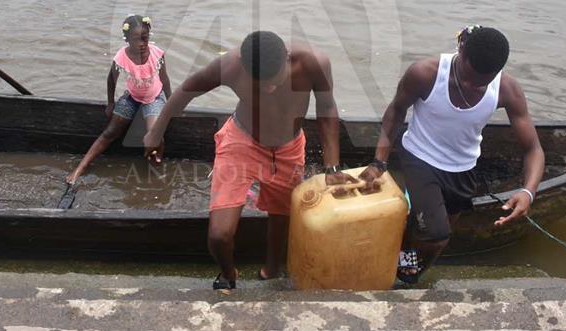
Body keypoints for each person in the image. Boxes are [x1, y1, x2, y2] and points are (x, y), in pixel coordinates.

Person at [143, 31, 354, 290]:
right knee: (219, 236)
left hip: (288, 149)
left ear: (287, 59)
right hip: (241, 143)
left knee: (281, 215)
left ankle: (271, 270)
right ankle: (228, 273)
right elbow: (187, 90)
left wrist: (332, 167)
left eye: (275, 81)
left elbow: (327, 108)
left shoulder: (314, 63)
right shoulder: (231, 65)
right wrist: (156, 132)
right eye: (261, 83)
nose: (269, 88)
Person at [359, 25, 545, 283]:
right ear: (461, 51)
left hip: (463, 169)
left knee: (432, 229)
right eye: (467, 76)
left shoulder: (506, 89)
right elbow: (395, 111)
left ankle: (403, 257)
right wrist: (379, 161)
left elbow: (533, 148)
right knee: (437, 235)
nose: (470, 85)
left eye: (482, 81)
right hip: (419, 158)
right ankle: (402, 274)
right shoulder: (425, 74)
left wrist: (528, 192)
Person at [67, 15, 171, 184]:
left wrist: (171, 105)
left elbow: (165, 80)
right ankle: (80, 168)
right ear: (127, 40)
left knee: (155, 136)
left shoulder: (157, 54)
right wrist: (110, 103)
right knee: (109, 132)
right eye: (137, 40)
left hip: (154, 98)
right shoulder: (121, 57)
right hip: (132, 97)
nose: (142, 43)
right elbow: (111, 80)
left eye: (145, 38)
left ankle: (156, 164)